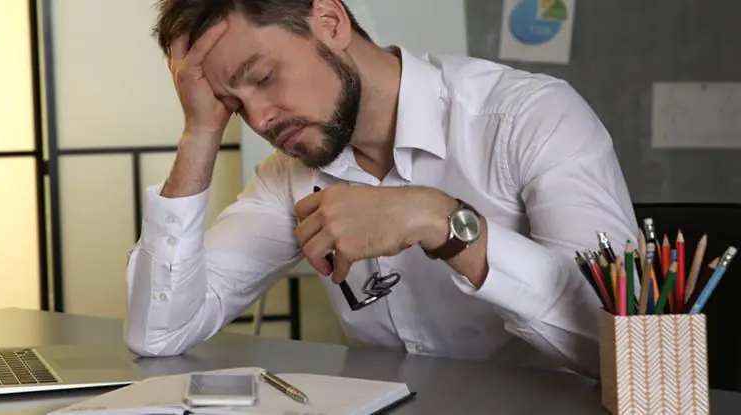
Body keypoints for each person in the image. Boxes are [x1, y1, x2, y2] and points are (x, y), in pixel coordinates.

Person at [124, 0, 637, 378]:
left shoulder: (528, 117)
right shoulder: (288, 175)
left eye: (261, 76)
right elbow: (160, 332)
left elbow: (628, 352)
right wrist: (200, 133)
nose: (258, 119)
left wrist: (443, 223)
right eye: (232, 105)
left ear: (330, 21)